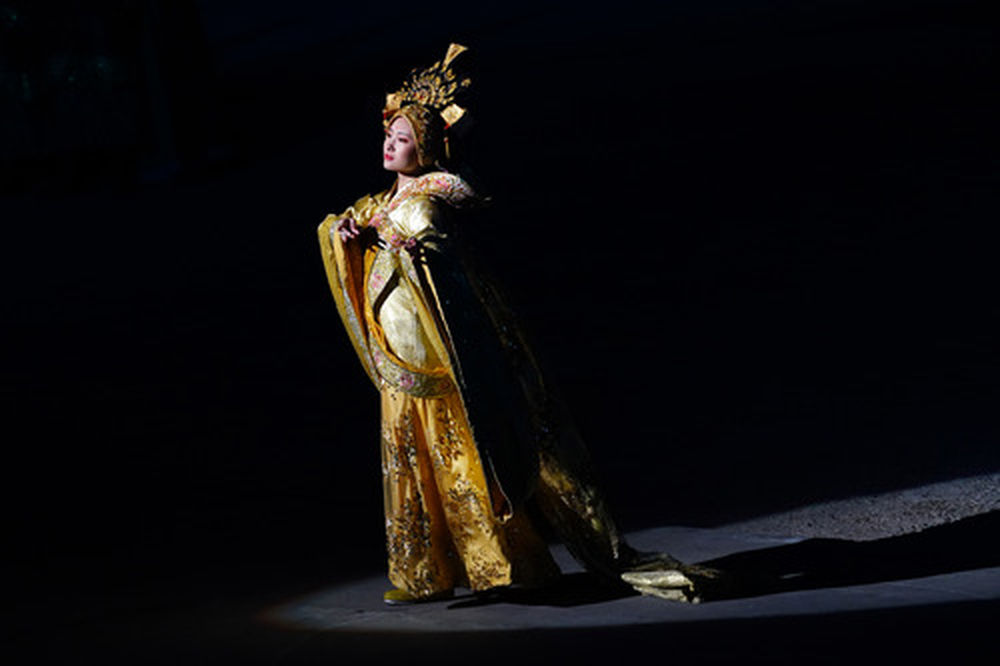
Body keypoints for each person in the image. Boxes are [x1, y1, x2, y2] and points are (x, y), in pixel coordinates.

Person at [317, 43, 718, 604]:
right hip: (398, 357)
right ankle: (424, 571)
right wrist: (351, 237)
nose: (390, 144)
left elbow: (440, 251)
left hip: (442, 356)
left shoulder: (433, 199)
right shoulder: (379, 202)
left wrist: (404, 247)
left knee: (460, 456)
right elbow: (351, 227)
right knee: (413, 461)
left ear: (425, 148)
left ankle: (507, 564)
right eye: (389, 134)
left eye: (402, 138)